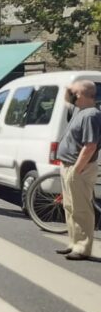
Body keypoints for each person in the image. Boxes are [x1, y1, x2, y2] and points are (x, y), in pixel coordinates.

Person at [55, 80, 100, 261]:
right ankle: (74, 242)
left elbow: (90, 146)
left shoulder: (91, 115)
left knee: (81, 208)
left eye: (74, 93)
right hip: (69, 165)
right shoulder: (79, 110)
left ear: (81, 95)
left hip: (80, 168)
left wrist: (77, 169)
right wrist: (69, 88)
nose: (71, 96)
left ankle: (82, 248)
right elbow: (66, 98)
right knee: (70, 206)